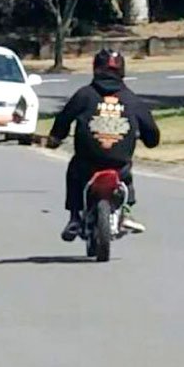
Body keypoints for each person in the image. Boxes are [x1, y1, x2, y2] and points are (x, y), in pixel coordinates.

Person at [46, 49, 160, 241]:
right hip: (119, 163)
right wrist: (148, 139)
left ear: (95, 69)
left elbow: (63, 120)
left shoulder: (84, 95)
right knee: (127, 175)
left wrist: (55, 139)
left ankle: (74, 216)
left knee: (74, 172)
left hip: (86, 163)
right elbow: (152, 135)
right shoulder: (131, 100)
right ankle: (126, 209)